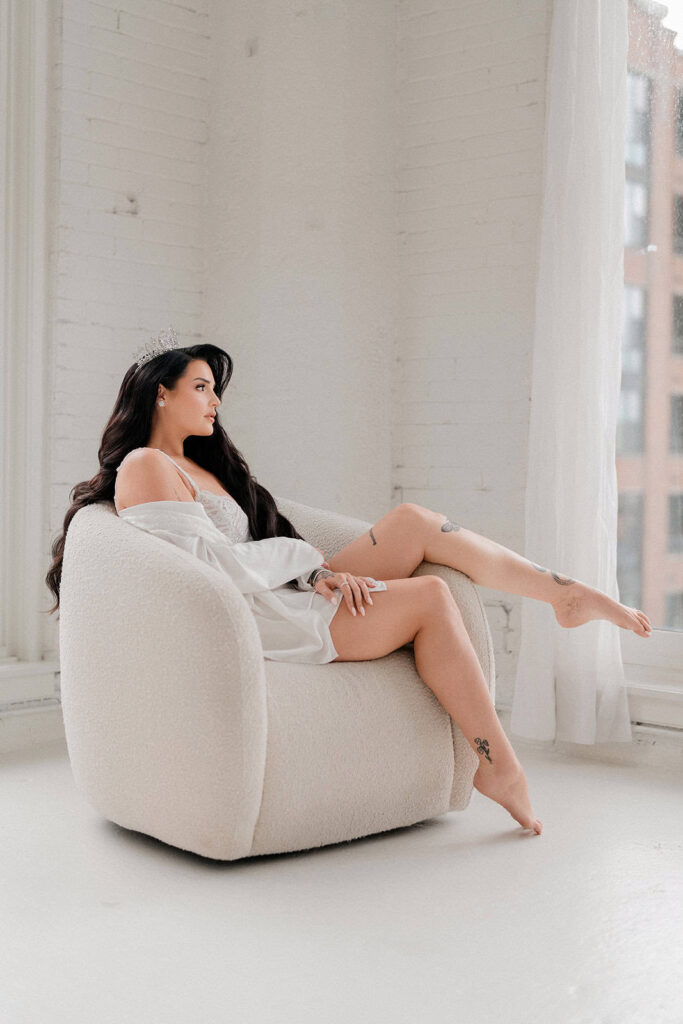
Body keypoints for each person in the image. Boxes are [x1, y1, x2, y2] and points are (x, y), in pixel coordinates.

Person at [46, 329, 653, 839]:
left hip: (282, 588)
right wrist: (311, 571)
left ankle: (562, 594)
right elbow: (203, 571)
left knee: (414, 521)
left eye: (216, 391)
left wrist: (316, 573)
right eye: (201, 387)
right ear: (160, 393)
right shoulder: (145, 465)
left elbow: (245, 544)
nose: (214, 403)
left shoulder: (201, 464)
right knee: (431, 598)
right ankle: (496, 762)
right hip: (254, 614)